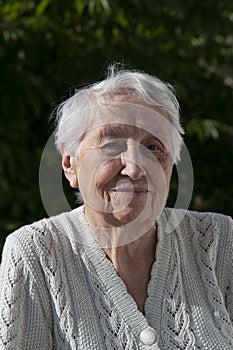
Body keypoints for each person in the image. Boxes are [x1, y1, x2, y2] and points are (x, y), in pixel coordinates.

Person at [0, 66, 232, 350]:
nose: (135, 168)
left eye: (153, 147)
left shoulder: (219, 241)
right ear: (70, 164)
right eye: (111, 144)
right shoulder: (34, 252)